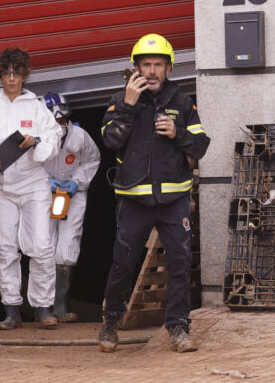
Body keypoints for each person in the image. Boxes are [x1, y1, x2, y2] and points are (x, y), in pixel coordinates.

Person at [98, 34, 210, 353]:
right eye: (145, 64)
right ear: (136, 67)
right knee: (123, 263)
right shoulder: (121, 99)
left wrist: (178, 134)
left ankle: (178, 327)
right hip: (134, 199)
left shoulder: (183, 102)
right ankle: (110, 322)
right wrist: (130, 107)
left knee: (180, 261)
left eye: (158, 64)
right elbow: (111, 141)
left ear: (168, 68)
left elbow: (201, 147)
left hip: (173, 200)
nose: (151, 70)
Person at [0, 48, 63, 330]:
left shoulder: (37, 108)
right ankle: (11, 310)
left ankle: (43, 309)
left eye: (17, 72)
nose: (11, 79)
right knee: (5, 249)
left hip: (33, 184)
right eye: (6, 73)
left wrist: (35, 142)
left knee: (42, 246)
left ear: (25, 74)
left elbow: (54, 139)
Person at [42, 92, 101, 322]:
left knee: (68, 244)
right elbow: (26, 164)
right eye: (55, 120)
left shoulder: (80, 136)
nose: (60, 124)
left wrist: (77, 182)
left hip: (72, 195)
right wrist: (45, 182)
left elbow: (92, 159)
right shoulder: (36, 137)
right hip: (43, 195)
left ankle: (61, 306)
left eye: (62, 119)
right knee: (43, 244)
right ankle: (43, 307)